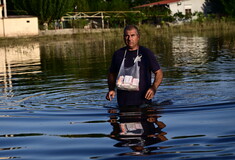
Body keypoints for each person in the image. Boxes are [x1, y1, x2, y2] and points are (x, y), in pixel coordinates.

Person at [106, 25, 163, 107]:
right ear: (123, 37)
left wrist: (154, 87)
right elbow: (112, 74)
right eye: (127, 36)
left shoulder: (146, 53)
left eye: (132, 35)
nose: (129, 39)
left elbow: (159, 72)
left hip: (143, 103)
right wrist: (111, 89)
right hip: (123, 103)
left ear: (138, 37)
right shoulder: (118, 54)